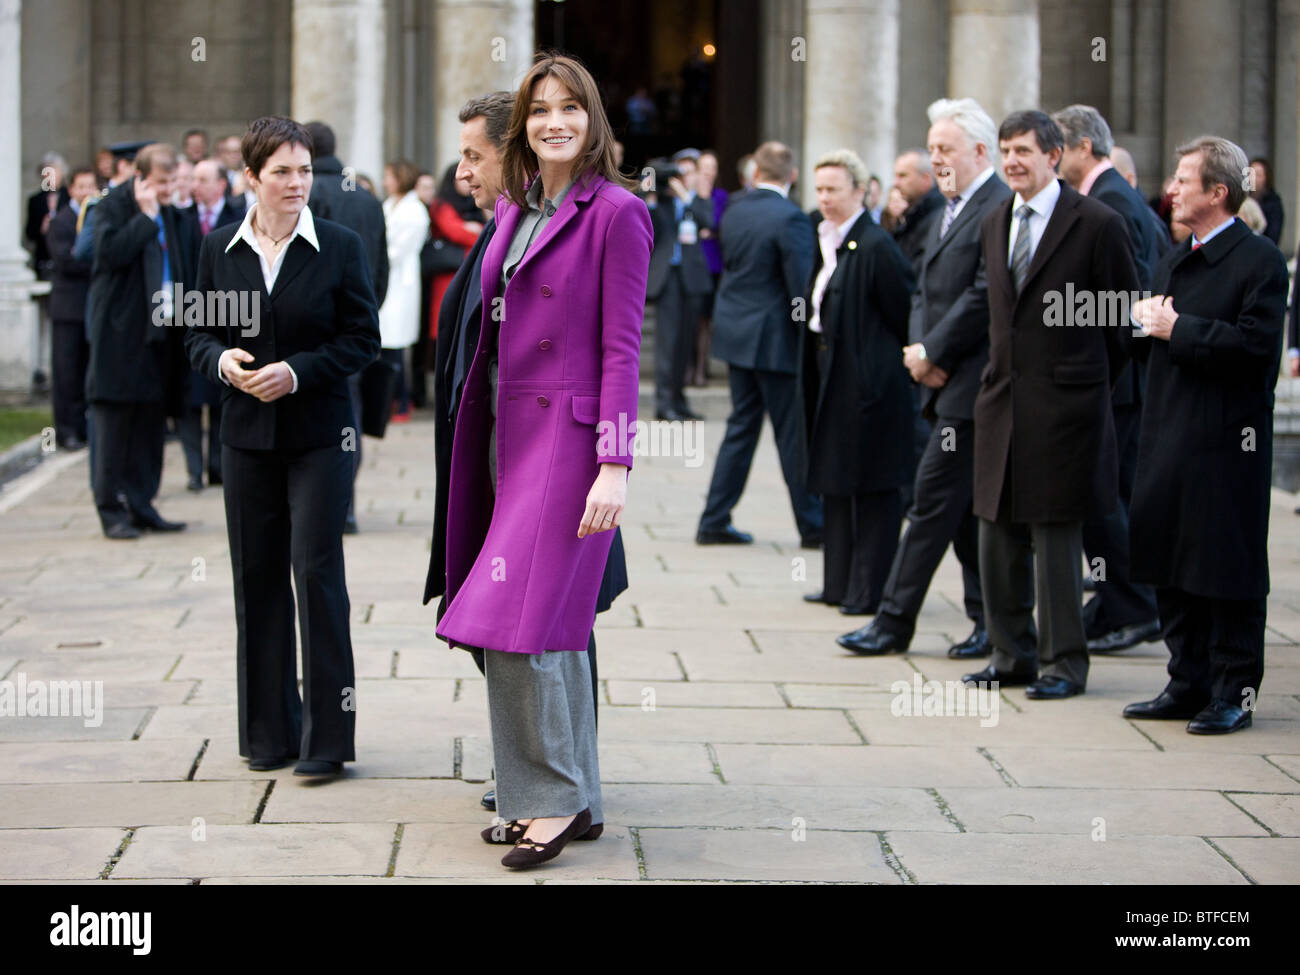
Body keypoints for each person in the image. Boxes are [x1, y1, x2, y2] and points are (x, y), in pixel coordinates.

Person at [434, 54, 651, 870]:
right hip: (499, 436)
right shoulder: (517, 209)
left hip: (567, 444)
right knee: (540, 629)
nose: (553, 121)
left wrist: (615, 462)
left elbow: (622, 348)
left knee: (520, 624)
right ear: (522, 125)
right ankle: (568, 798)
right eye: (538, 110)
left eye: (569, 108)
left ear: (593, 120)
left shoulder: (617, 213)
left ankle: (552, 801)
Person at [185, 116, 381, 776]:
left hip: (320, 439)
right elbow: (194, 337)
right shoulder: (218, 249)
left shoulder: (341, 245)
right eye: (283, 172)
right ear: (252, 179)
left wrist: (297, 371)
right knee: (257, 581)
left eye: (303, 170)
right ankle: (269, 733)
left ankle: (327, 742)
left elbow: (362, 340)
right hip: (244, 442)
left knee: (316, 576)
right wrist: (223, 362)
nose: (298, 183)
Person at [964, 110, 1139, 700]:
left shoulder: (1098, 224)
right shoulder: (993, 222)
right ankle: (1008, 653)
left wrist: (1083, 387)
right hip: (1001, 403)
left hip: (1067, 411)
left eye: (1023, 151)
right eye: (1005, 150)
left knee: (1057, 540)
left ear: (1054, 155)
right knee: (997, 534)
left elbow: (1121, 323)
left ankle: (1063, 663)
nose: (1012, 161)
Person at [1125, 136, 1289, 735]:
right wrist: (1141, 326)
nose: (1171, 188)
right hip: (1169, 433)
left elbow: (1255, 352)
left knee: (1227, 567)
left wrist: (1178, 327)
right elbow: (1159, 340)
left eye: (1184, 179)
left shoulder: (1260, 261)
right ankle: (1187, 680)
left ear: (1218, 193)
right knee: (1172, 560)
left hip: (1227, 443)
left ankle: (1233, 691)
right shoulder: (1174, 257)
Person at [838, 96, 1009, 659]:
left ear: (980, 151)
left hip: (972, 384)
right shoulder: (949, 208)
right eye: (931, 148)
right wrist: (919, 349)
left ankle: (892, 622)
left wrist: (934, 351)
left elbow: (985, 294)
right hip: (940, 378)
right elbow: (923, 289)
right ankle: (990, 622)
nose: (936, 158)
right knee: (958, 512)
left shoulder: (996, 206)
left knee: (932, 501)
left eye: (945, 148)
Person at [1053, 104, 1164, 654]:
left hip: (1116, 384)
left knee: (1109, 500)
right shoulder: (1113, 196)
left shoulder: (1112, 201)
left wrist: (1064, 316)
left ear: (1082, 148)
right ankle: (1116, 601)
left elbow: (1128, 299)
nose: (1052, 160)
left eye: (1057, 148)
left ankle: (1135, 605)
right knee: (1106, 498)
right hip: (1116, 382)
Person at [798, 149, 914, 616]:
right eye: (819, 189)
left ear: (860, 191)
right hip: (830, 373)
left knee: (871, 485)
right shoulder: (826, 238)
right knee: (836, 476)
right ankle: (838, 584)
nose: (824, 198)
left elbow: (903, 312)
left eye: (833, 190)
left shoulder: (875, 245)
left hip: (868, 383)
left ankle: (867, 592)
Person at [695, 141, 821, 548]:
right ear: (793, 175)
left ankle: (713, 519)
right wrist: (809, 333)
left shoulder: (734, 208)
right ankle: (813, 525)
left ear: (755, 172)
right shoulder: (792, 218)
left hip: (735, 333)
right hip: (774, 339)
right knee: (791, 434)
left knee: (741, 427)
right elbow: (799, 288)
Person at [86, 143, 195, 539]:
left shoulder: (172, 210)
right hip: (120, 334)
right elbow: (107, 253)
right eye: (163, 182)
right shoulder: (114, 205)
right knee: (116, 424)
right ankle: (110, 508)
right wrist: (147, 218)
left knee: (151, 424)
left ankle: (143, 503)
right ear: (141, 177)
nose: (170, 189)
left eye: (173, 181)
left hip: (161, 333)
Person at [305, 120, 389, 533]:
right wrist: (369, 314)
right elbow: (382, 266)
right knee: (348, 416)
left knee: (317, 416)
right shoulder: (367, 198)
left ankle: (325, 506)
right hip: (358, 325)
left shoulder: (307, 194)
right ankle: (346, 506)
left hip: (316, 328)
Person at [177, 159, 245, 491]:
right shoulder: (182, 218)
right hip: (188, 313)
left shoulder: (238, 217)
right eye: (193, 179)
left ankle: (218, 468)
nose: (195, 186)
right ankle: (193, 470)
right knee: (189, 400)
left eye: (203, 179)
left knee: (220, 394)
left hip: (229, 314)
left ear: (221, 184)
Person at [645, 149, 712, 421]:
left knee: (686, 343)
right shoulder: (661, 204)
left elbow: (709, 222)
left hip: (692, 278)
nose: (682, 178)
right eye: (679, 172)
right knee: (668, 344)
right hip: (668, 278)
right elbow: (648, 228)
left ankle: (680, 400)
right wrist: (650, 192)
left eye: (687, 173)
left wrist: (686, 197)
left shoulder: (698, 202)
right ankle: (664, 404)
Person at [46, 166, 99, 451]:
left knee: (87, 370)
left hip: (91, 309)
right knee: (67, 371)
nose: (87, 192)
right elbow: (67, 261)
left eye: (91, 186)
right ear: (72, 190)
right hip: (68, 310)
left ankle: (84, 428)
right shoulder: (62, 222)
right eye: (82, 187)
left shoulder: (97, 218)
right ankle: (65, 430)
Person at [378, 158, 430, 422]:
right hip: (388, 280)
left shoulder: (414, 211)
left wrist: (376, 256)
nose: (385, 181)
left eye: (389, 176)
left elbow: (397, 250)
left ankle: (401, 402)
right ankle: (390, 399)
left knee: (396, 347)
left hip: (401, 282)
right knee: (386, 345)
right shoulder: (390, 205)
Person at [690, 149, 727, 386]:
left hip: (714, 265)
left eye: (712, 168)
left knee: (706, 321)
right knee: (691, 321)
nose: (708, 173)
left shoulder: (722, 197)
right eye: (704, 167)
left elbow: (717, 225)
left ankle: (702, 369)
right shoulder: (688, 196)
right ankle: (690, 367)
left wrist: (710, 230)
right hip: (691, 265)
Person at [889, 150, 944, 274]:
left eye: (902, 176)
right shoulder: (912, 213)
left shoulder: (938, 215)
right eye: (895, 176)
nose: (896, 183)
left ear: (925, 178)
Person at [1248, 157, 1284, 246]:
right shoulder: (1240, 198)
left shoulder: (1273, 203)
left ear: (1266, 178)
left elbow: (1274, 235)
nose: (1253, 178)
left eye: (1258, 175)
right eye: (1250, 174)